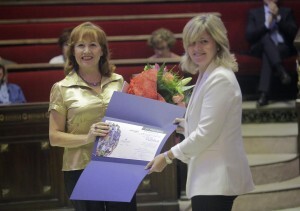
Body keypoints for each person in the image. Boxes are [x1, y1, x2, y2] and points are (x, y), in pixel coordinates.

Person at [146, 14, 254, 211]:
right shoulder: (207, 73)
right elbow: (209, 125)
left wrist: (168, 156)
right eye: (192, 43)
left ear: (218, 42)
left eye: (204, 41)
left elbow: (206, 133)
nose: (197, 48)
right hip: (210, 174)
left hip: (217, 176)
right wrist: (180, 124)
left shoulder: (219, 78)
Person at [48, 22, 137, 211]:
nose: (86, 51)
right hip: (80, 169)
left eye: (93, 45)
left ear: (102, 50)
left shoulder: (119, 81)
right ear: (72, 51)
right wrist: (87, 137)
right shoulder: (61, 88)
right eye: (80, 45)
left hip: (118, 165)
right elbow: (54, 137)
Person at [245, 0, 298, 107]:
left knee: (268, 55)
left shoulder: (286, 12)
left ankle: (264, 95)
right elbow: (249, 36)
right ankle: (281, 70)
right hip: (259, 47)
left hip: (282, 48)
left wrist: (278, 17)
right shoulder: (254, 13)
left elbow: (294, 33)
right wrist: (266, 25)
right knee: (265, 38)